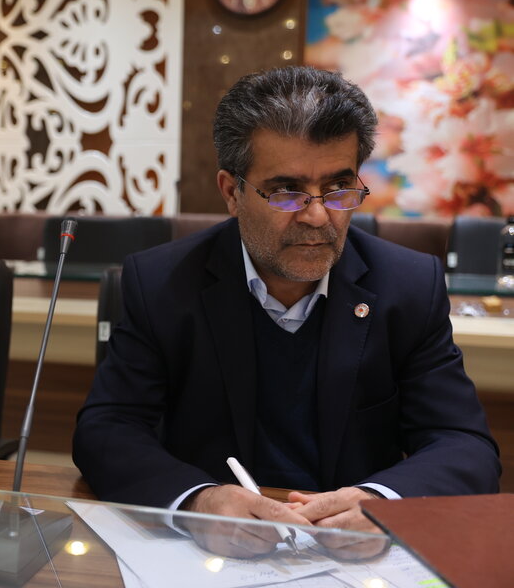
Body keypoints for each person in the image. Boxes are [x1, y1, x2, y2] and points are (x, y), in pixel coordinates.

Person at [72, 66, 500, 558]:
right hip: (210, 556)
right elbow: (108, 429)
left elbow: (465, 444)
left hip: (355, 557)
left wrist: (382, 502)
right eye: (286, 192)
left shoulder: (408, 286)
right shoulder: (163, 283)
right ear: (231, 192)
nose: (317, 216)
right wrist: (197, 502)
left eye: (339, 188)